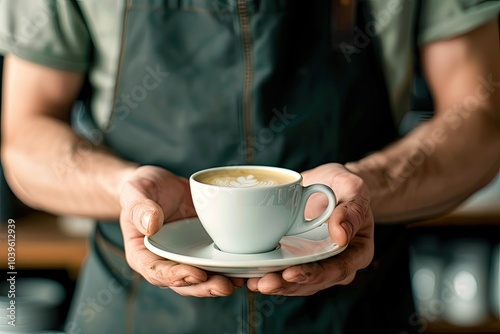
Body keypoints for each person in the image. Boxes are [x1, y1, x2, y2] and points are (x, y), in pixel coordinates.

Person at [1, 0, 499, 333]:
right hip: (138, 310)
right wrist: (122, 188)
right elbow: (25, 135)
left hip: (355, 306)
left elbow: (481, 119)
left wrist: (369, 187)